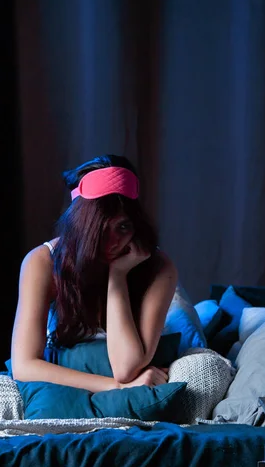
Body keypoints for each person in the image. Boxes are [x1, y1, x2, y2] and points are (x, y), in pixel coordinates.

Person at [11, 154, 178, 392]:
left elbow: (125, 368)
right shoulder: (43, 262)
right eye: (100, 228)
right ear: (80, 225)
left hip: (153, 323)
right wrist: (116, 387)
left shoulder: (159, 267)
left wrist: (117, 276)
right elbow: (24, 366)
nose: (112, 242)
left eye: (123, 227)